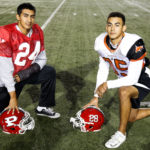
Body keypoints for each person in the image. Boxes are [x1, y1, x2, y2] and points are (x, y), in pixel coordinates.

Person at [83, 12, 150, 148]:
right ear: (106, 27)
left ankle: (121, 133)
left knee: (123, 91)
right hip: (126, 79)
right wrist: (96, 96)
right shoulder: (100, 42)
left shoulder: (133, 42)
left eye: (117, 25)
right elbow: (103, 68)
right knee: (131, 117)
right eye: (109, 24)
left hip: (143, 77)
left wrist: (107, 84)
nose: (112, 28)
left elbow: (133, 78)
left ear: (124, 28)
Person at [0, 3, 60, 119]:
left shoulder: (37, 31)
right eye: (25, 16)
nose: (29, 20)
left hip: (22, 74)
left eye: (32, 16)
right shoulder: (5, 33)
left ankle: (43, 107)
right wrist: (13, 97)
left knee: (49, 72)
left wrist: (26, 73)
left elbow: (42, 58)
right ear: (18, 17)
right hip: (5, 79)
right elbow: (5, 69)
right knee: (4, 114)